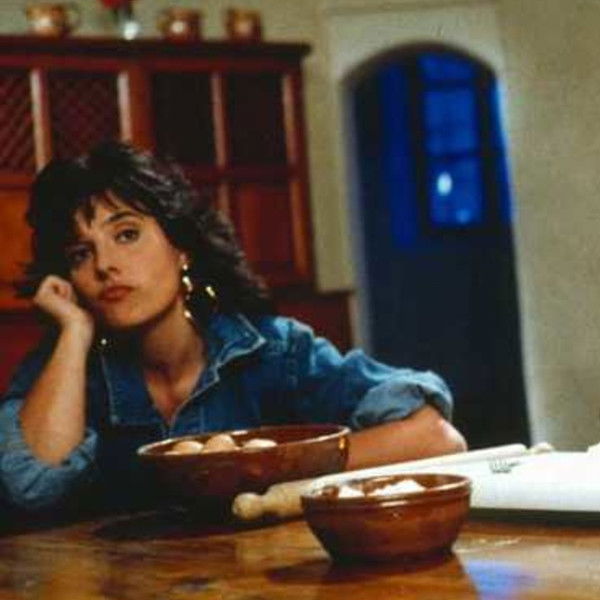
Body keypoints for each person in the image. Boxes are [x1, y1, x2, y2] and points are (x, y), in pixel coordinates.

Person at [0, 141, 466, 515]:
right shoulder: (64, 371)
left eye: (127, 234)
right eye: (80, 253)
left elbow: (434, 438)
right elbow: (29, 487)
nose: (104, 265)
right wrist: (74, 330)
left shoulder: (272, 351)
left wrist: (263, 470)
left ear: (181, 247)